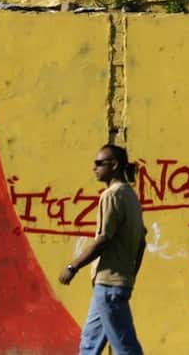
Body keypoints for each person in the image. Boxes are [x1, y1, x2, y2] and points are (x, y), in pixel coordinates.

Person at [59, 145, 147, 355]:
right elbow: (142, 242)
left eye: (99, 163)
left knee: (125, 347)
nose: (94, 168)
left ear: (114, 165)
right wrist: (130, 275)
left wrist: (73, 266)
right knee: (89, 345)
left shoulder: (111, 195)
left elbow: (103, 240)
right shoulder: (130, 195)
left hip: (109, 286)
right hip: (112, 285)